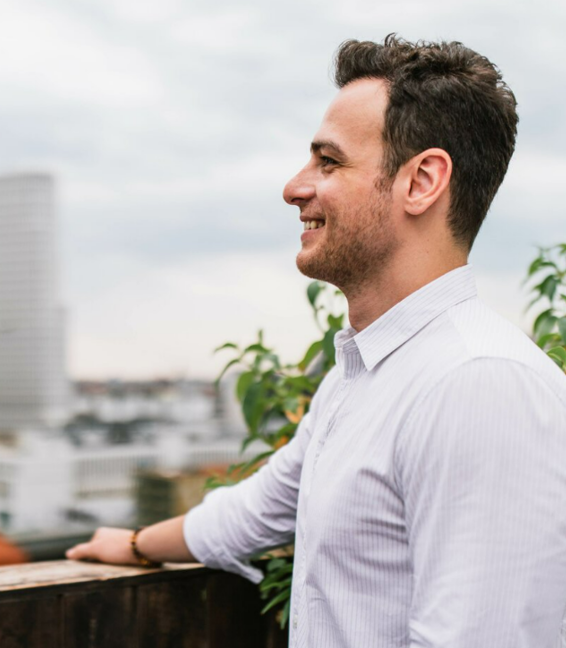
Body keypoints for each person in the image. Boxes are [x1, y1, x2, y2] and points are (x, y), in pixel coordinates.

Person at [67, 35, 566, 647]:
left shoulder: (479, 384)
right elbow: (260, 508)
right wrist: (137, 543)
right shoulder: (364, 375)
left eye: (329, 162)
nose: (294, 187)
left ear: (422, 181)